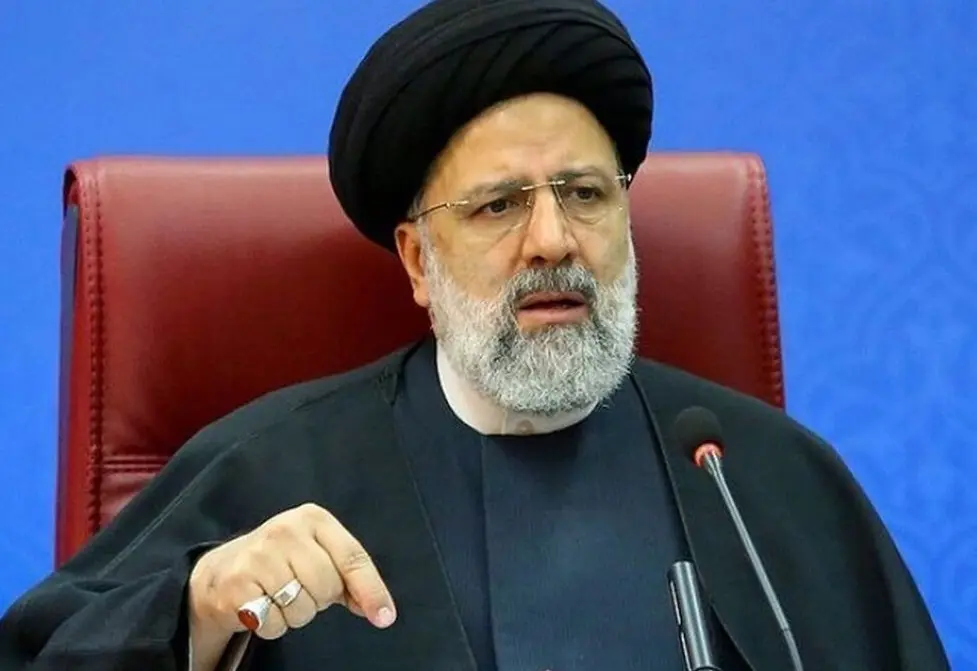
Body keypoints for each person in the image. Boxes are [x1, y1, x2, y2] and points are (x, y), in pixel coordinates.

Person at [0, 0, 950, 669]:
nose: (553, 240)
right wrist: (199, 613)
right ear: (418, 260)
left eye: (585, 194)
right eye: (498, 205)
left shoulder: (761, 477)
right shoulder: (268, 471)